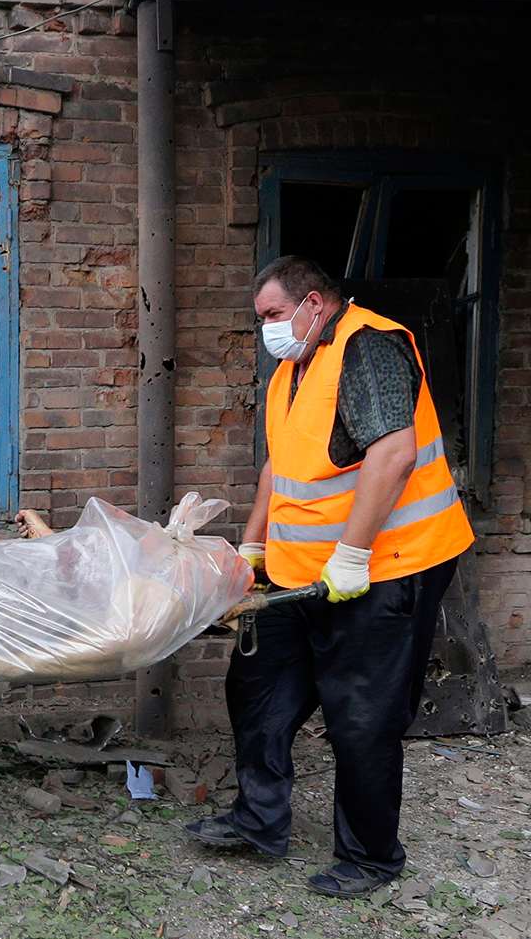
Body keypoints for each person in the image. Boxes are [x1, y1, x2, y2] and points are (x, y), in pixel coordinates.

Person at [185, 256, 474, 898]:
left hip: (387, 566)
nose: (266, 330)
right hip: (300, 574)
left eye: (273, 315)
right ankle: (258, 820)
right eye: (261, 319)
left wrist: (352, 552)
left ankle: (370, 857)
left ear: (314, 303)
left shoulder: (369, 347)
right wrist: (255, 545)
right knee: (257, 689)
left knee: (361, 716)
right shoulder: (292, 370)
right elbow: (279, 467)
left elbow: (394, 454)